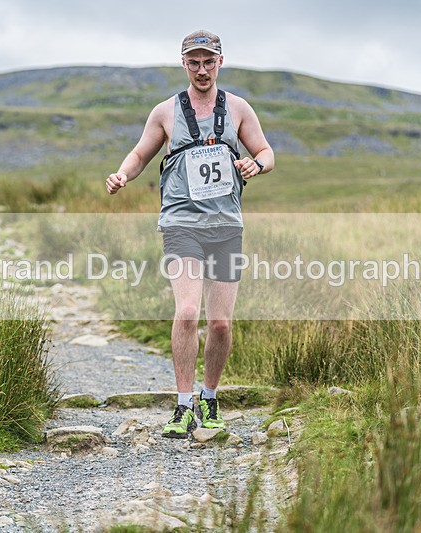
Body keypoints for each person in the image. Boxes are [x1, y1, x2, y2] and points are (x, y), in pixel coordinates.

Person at [106, 30, 274, 438]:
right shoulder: (165, 111)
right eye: (194, 62)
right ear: (184, 63)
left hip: (226, 226)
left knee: (220, 324)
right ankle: (183, 405)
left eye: (208, 62)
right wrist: (123, 174)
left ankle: (209, 398)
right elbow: (141, 153)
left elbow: (266, 152)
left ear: (220, 62)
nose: (202, 70)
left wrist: (256, 164)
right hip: (181, 223)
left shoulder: (238, 108)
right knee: (186, 312)